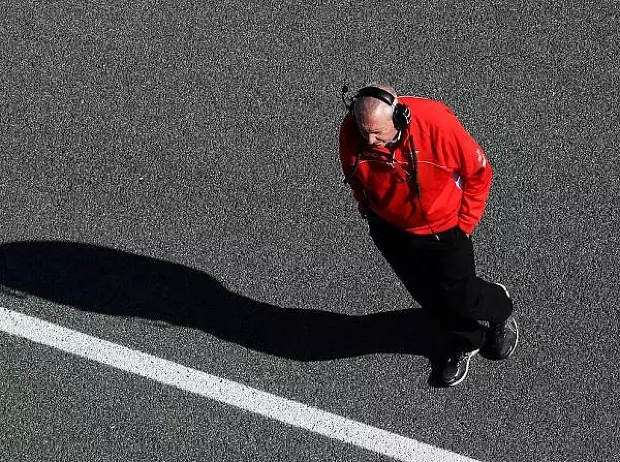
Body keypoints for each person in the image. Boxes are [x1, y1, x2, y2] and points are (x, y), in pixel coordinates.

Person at [338, 83, 518, 387]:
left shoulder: (436, 124)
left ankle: (500, 307)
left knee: (461, 295)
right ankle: (467, 340)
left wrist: (464, 224)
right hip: (390, 230)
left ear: (399, 118)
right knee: (427, 294)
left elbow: (479, 172)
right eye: (363, 130)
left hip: (444, 230)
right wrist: (368, 211)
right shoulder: (353, 132)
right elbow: (354, 176)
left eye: (377, 133)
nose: (369, 140)